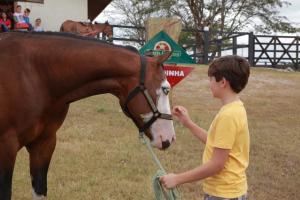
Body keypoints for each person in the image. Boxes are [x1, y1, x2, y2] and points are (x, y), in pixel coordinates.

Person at [160, 55, 250, 200]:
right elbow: (215, 142)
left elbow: (217, 164)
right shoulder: (235, 108)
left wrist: (177, 179)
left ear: (222, 82)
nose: (209, 83)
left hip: (224, 194)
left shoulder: (228, 116)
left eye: (211, 79)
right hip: (230, 191)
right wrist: (188, 123)